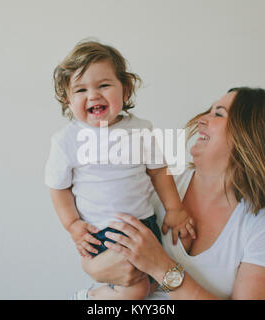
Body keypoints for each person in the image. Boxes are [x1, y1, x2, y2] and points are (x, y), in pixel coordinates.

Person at [81, 87, 265, 299]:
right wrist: (93, 266)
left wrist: (162, 267)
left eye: (218, 114)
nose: (201, 120)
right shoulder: (153, 184)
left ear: (251, 136)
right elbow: (93, 240)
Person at [44, 40, 195, 300]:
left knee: (153, 284)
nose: (93, 95)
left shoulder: (140, 130)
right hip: (101, 230)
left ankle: (102, 294)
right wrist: (72, 225)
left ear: (125, 91)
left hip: (144, 225)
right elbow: (59, 188)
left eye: (104, 85)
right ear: (68, 100)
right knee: (135, 289)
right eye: (80, 90)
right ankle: (90, 298)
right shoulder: (66, 140)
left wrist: (175, 209)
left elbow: (158, 171)